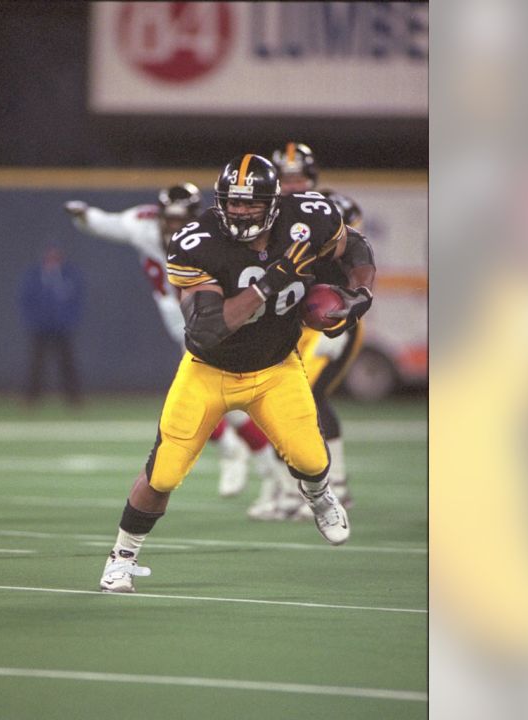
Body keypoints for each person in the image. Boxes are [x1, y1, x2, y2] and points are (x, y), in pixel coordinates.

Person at [98, 154, 375, 592]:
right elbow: (208, 329)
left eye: (251, 204)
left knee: (310, 460)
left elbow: (355, 246)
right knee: (163, 473)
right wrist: (271, 280)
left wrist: (360, 294)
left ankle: (321, 496)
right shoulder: (196, 241)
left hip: (275, 367)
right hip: (209, 370)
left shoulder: (308, 216)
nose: (241, 212)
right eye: (234, 203)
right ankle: (122, 556)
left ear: (274, 201)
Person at [64, 185, 289, 499]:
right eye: (169, 220)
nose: (174, 228)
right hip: (183, 326)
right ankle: (266, 469)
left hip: (214, 325)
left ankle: (247, 459)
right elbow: (109, 223)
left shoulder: (215, 238)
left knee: (205, 401)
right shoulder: (143, 227)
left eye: (180, 221)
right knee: (224, 404)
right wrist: (84, 215)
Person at [249, 142, 371, 521]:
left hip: (325, 319)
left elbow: (355, 251)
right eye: (284, 178)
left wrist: (352, 297)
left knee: (308, 398)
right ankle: (294, 490)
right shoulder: (263, 214)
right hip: (291, 321)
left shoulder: (331, 208)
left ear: (313, 178)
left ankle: (329, 487)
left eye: (298, 178)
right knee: (280, 401)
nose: (291, 185)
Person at [17, 246, 85, 406]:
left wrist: (69, 320)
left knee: (67, 365)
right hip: (40, 327)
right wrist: (33, 320)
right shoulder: (35, 276)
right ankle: (31, 399)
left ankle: (74, 400)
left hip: (62, 327)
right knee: (36, 365)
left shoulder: (68, 276)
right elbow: (26, 300)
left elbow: (77, 300)